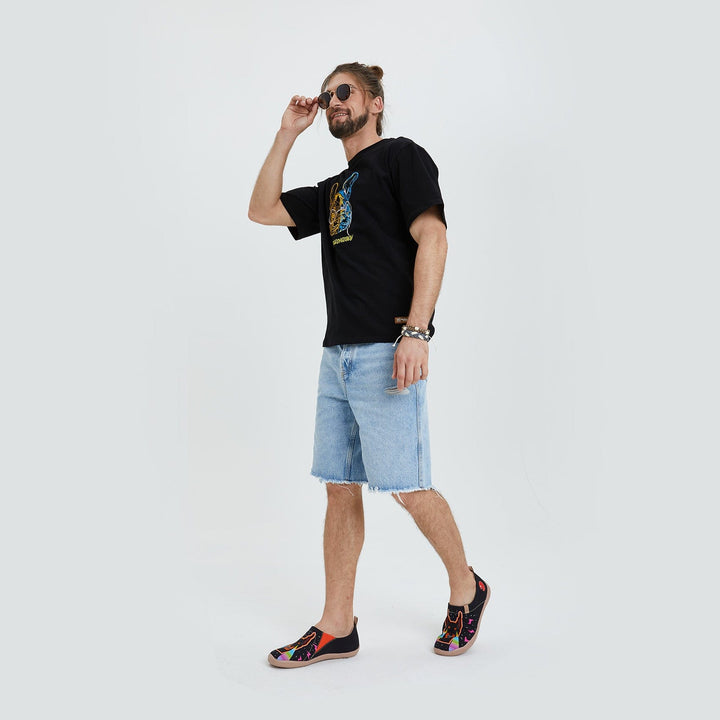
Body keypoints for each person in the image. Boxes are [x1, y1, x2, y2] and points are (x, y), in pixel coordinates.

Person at [248, 62, 490, 667]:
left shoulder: (402, 157)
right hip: (337, 357)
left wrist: (417, 331)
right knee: (339, 487)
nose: (333, 100)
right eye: (327, 94)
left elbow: (433, 237)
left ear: (375, 101)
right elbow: (262, 208)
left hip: (388, 350)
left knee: (408, 487)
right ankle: (338, 626)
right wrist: (287, 133)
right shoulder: (333, 189)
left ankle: (467, 587)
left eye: (344, 91)